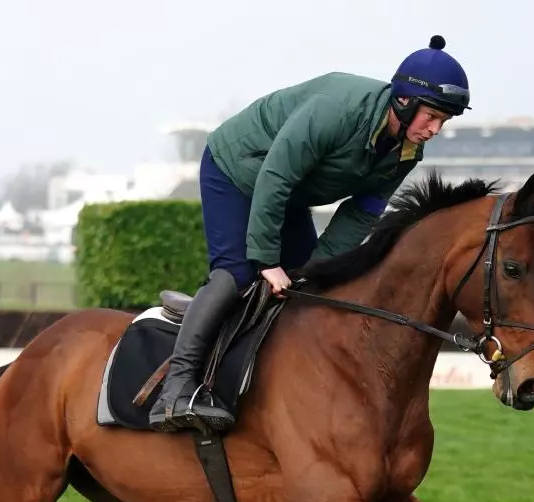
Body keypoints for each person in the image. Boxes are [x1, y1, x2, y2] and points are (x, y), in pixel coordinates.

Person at [149, 34, 470, 433]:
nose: (435, 129)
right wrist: (266, 261)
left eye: (444, 121)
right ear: (404, 101)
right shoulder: (334, 111)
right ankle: (175, 390)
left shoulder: (407, 151)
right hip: (236, 170)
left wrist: (318, 272)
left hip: (288, 192)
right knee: (238, 273)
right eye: (432, 116)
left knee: (310, 290)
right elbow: (275, 177)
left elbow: (359, 215)